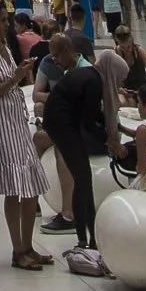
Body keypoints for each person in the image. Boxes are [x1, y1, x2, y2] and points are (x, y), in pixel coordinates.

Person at [0, 0, 51, 269]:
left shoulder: (4, 47)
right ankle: (18, 250)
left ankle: (28, 245)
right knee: (15, 187)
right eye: (3, 20)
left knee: (30, 185)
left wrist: (20, 74)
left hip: (17, 118)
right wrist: (15, 78)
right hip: (2, 123)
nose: (7, 25)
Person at [39, 34, 113, 272]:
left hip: (60, 123)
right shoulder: (92, 79)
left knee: (83, 181)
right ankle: (87, 239)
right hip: (62, 125)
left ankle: (85, 238)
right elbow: (89, 122)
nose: (56, 61)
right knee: (83, 181)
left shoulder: (87, 76)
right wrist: (110, 140)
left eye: (57, 55)